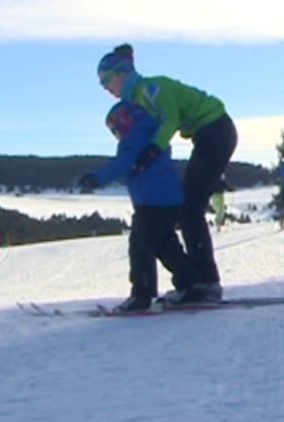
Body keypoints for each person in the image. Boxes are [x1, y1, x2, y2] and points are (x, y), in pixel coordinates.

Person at [97, 43, 236, 302]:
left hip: (215, 129)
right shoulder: (137, 94)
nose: (105, 87)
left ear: (121, 74)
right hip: (209, 133)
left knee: (191, 208)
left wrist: (151, 150)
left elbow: (169, 119)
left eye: (105, 80)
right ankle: (199, 281)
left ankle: (206, 283)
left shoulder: (150, 88)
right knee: (188, 208)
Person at [78, 100, 200, 312]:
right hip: (169, 199)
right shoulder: (152, 132)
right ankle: (190, 285)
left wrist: (95, 178)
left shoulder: (133, 138)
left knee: (140, 246)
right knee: (165, 245)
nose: (116, 135)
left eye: (115, 129)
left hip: (151, 201)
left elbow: (122, 163)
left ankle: (142, 295)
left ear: (125, 122)